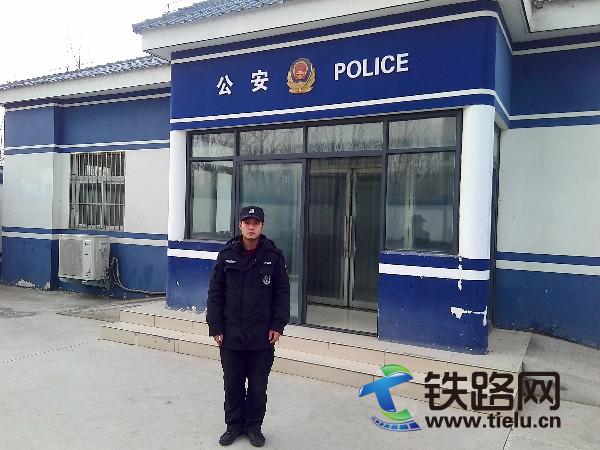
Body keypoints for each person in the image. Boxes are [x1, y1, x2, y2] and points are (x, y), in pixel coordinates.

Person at [207, 206, 290, 447]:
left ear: (262, 226)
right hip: (231, 334)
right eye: (247, 222)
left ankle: (254, 427)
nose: (251, 227)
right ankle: (233, 426)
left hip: (261, 336)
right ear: (240, 225)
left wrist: (278, 324)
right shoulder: (226, 256)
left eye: (256, 223)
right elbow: (215, 293)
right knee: (232, 385)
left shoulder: (274, 257)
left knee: (257, 387)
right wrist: (216, 327)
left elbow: (282, 294)